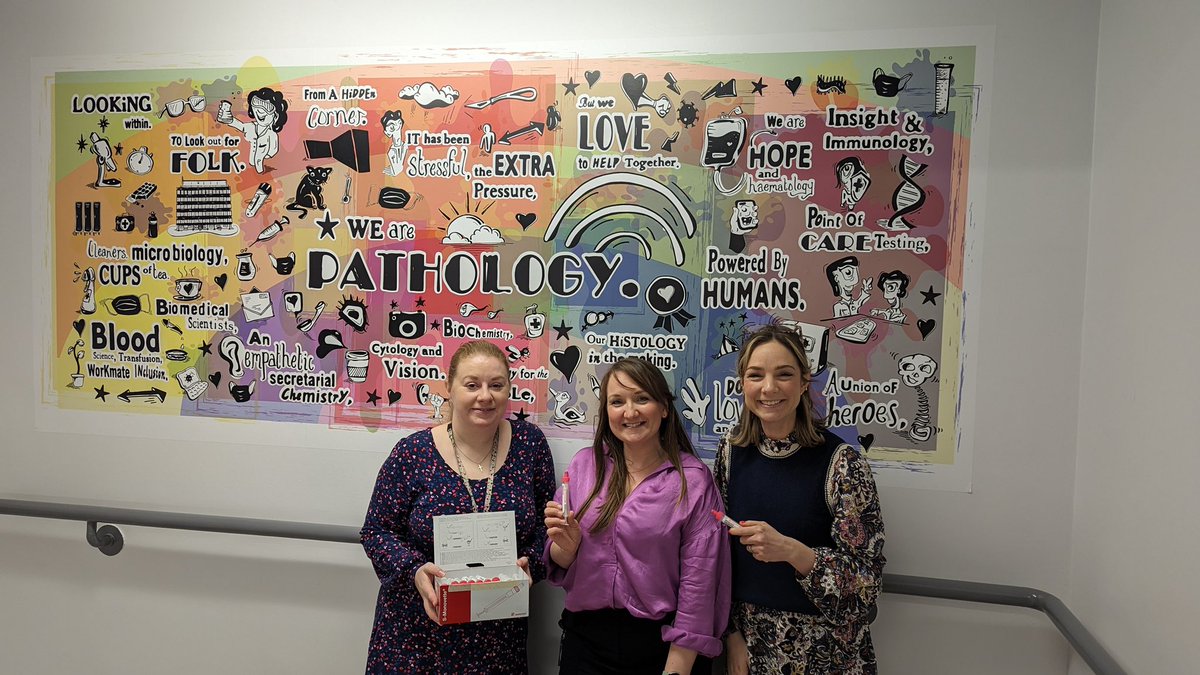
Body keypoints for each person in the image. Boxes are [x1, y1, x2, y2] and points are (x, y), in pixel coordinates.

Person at [361, 340, 556, 674]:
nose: (485, 396)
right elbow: (377, 532)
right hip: (417, 634)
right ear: (449, 389)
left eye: (496, 385)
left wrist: (532, 566)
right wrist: (414, 570)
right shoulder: (413, 453)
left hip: (497, 636)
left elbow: (545, 526)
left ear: (509, 389)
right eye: (471, 385)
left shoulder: (530, 445)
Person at [715, 324, 885, 674]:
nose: (769, 388)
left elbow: (867, 585)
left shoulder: (842, 463)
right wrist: (732, 637)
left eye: (784, 375)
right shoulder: (731, 453)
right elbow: (714, 557)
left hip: (826, 654)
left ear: (805, 382)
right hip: (750, 649)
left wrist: (793, 552)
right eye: (756, 375)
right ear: (742, 383)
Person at [544, 357, 730, 675]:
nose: (630, 412)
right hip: (586, 643)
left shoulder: (694, 481)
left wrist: (678, 668)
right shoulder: (584, 466)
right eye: (617, 402)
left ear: (664, 408)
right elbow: (560, 561)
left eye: (642, 398)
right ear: (607, 412)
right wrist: (568, 546)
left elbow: (700, 585)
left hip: (663, 647)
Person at [218, 87, 288, 173]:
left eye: (266, 108)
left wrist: (262, 162)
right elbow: (240, 126)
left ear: (276, 115)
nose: (259, 112)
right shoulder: (252, 127)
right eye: (256, 107)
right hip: (249, 167)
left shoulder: (271, 135)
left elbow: (272, 152)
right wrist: (229, 119)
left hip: (265, 167)